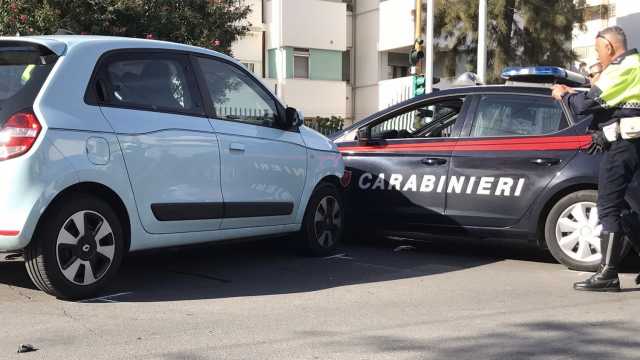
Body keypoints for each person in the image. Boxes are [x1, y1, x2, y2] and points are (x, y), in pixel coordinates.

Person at [552, 26, 640, 292]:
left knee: (608, 207)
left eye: (600, 50)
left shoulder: (623, 66)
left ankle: (608, 274)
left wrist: (565, 95)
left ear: (609, 47)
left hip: (623, 146)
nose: (600, 58)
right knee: (626, 210)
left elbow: (587, 105)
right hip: (631, 143)